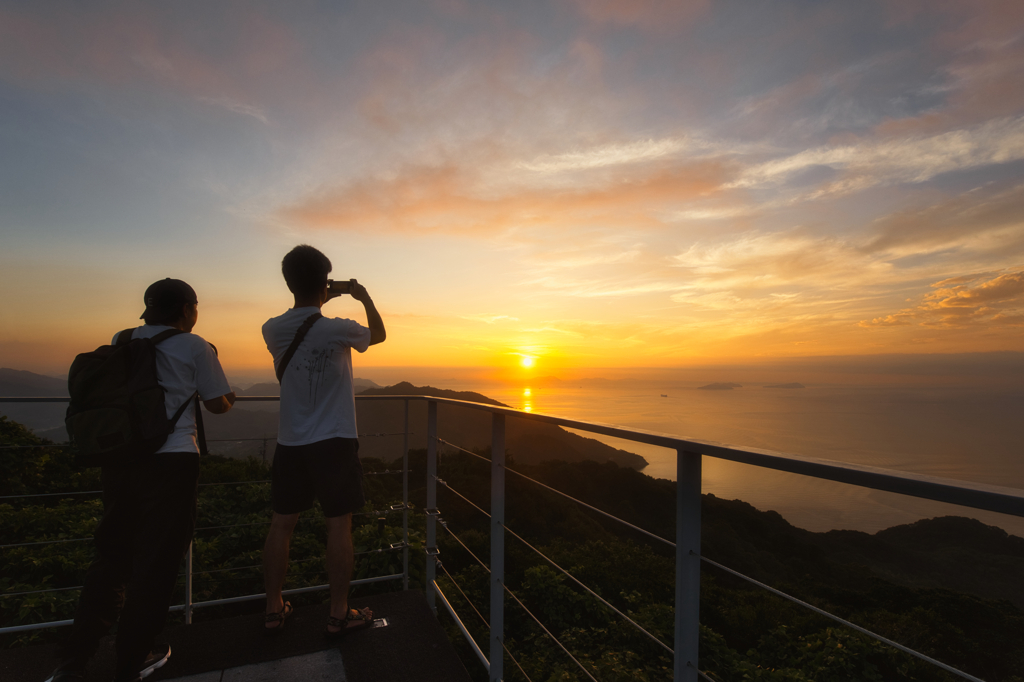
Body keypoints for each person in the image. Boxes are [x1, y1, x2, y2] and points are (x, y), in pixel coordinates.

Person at [46, 279, 236, 682]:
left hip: (120, 459)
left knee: (112, 556)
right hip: (172, 463)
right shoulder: (195, 345)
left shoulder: (123, 338)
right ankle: (133, 659)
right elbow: (218, 405)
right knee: (157, 563)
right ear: (187, 310)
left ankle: (73, 660)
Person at [260, 244, 386, 637]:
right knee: (338, 525)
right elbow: (378, 335)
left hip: (291, 439)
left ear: (288, 282)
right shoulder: (338, 328)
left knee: (281, 524)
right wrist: (361, 295)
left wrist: (317, 296)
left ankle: (273, 609)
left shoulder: (271, 328)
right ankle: (338, 613)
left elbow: (303, 321)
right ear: (325, 282)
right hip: (334, 439)